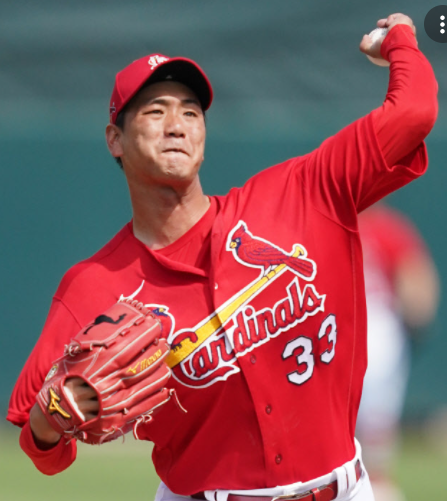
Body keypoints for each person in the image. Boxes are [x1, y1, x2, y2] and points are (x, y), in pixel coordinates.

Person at [7, 13, 438, 501]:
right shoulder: (93, 285)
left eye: (191, 113)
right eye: (154, 112)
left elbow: (415, 111)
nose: (177, 126)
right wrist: (51, 418)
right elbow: (37, 440)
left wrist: (401, 41)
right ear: (115, 140)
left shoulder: (301, 193)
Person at [356, 202, 440, 501]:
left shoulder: (382, 227)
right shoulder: (386, 226)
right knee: (374, 424)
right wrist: (417, 322)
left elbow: (415, 277)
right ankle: (376, 482)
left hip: (349, 328)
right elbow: (418, 284)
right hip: (378, 330)